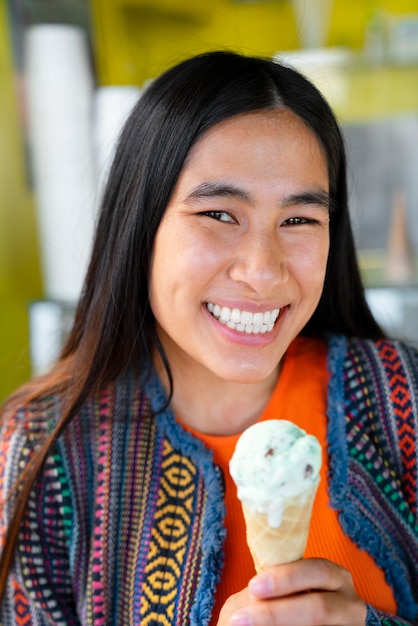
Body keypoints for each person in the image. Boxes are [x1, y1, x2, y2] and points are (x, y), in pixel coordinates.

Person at [0, 50, 417, 626]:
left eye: (298, 220)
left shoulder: (405, 401)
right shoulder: (44, 452)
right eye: (219, 214)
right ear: (140, 226)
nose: (264, 271)